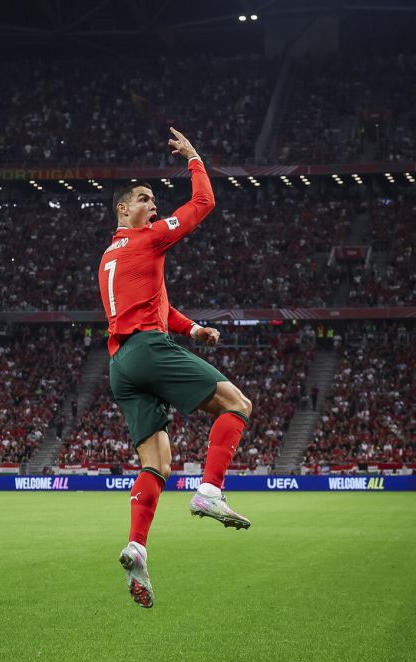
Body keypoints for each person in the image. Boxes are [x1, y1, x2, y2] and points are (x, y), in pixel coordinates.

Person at [98, 128, 253, 609]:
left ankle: (137, 547)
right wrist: (193, 158)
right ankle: (209, 490)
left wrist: (194, 330)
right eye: (145, 199)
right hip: (147, 348)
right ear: (123, 209)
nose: (153, 205)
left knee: (158, 463)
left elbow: (157, 305)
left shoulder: (110, 257)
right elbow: (203, 203)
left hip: (121, 365)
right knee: (237, 404)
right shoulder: (148, 239)